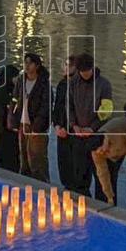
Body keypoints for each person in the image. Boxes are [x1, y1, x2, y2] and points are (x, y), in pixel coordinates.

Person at [66, 53, 114, 197]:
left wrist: (92, 128)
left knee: (100, 174)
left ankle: (102, 202)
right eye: (81, 72)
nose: (84, 75)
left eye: (87, 71)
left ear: (92, 68)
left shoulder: (104, 84)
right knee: (80, 173)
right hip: (78, 134)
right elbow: (69, 105)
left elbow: (106, 111)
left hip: (97, 135)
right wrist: (73, 124)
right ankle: (82, 200)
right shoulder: (73, 82)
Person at [91, 100, 126, 204]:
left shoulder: (119, 127)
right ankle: (113, 203)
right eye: (101, 152)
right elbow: (102, 173)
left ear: (105, 140)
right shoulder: (97, 153)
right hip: (116, 153)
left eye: (103, 149)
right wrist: (109, 196)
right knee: (111, 177)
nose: (103, 152)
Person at [11, 53, 51, 182]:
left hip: (36, 127)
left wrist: (37, 126)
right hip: (22, 124)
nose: (27, 66)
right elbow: (14, 99)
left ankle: (42, 188)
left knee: (37, 160)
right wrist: (13, 120)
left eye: (30, 63)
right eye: (25, 63)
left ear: (37, 65)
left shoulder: (44, 84)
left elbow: (46, 107)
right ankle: (25, 186)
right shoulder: (21, 81)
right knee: (24, 158)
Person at [52, 56, 77, 190]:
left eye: (68, 65)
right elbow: (57, 107)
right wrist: (56, 126)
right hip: (61, 128)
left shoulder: (80, 85)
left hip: (74, 130)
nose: (65, 67)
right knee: (63, 162)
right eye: (65, 65)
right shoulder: (62, 84)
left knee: (75, 165)